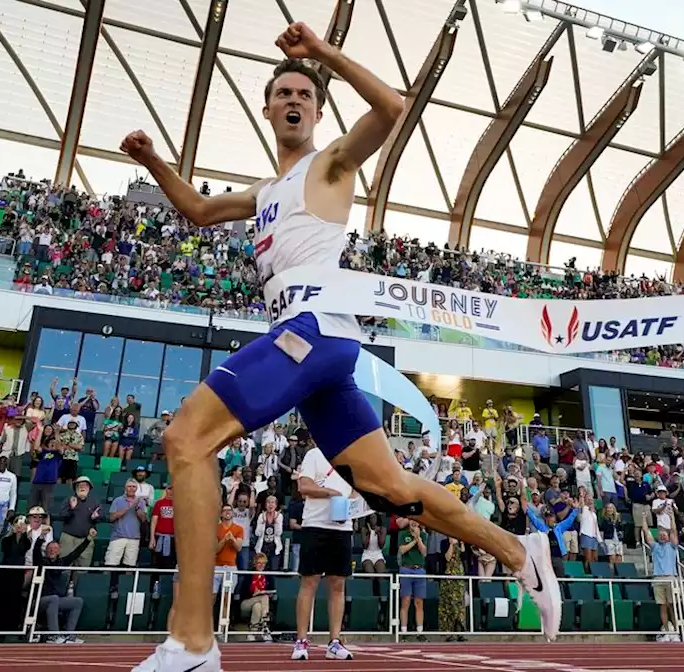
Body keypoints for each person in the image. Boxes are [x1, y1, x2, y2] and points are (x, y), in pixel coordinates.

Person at [124, 22, 558, 672]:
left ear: (317, 111)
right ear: (268, 109)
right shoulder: (264, 193)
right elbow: (198, 210)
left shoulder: (328, 165)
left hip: (316, 330)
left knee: (187, 438)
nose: (294, 98)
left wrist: (321, 53)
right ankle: (520, 550)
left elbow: (392, 109)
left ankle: (191, 643)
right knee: (387, 488)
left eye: (305, 92)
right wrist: (152, 160)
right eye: (284, 92)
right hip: (311, 351)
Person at [291, 445, 358, 660]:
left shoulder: (351, 459)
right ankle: (301, 641)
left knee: (338, 584)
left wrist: (352, 503)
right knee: (309, 581)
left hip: (342, 528)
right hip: (315, 524)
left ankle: (335, 642)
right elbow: (304, 486)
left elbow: (357, 491)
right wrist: (331, 493)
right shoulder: (315, 454)